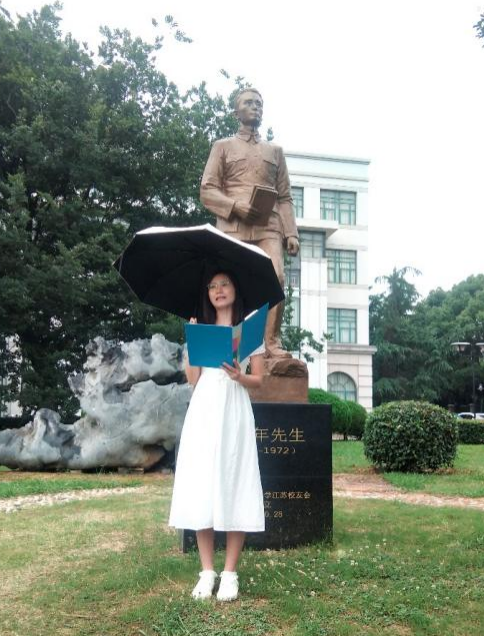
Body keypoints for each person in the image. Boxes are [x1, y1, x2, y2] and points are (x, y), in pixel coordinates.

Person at [168, 271, 265, 602]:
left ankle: (230, 573)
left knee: (236, 479)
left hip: (234, 405)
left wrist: (240, 376)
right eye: (212, 286)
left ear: (236, 288)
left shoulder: (249, 329)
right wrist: (192, 342)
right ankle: (207, 571)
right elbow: (193, 378)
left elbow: (259, 380)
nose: (218, 291)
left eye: (224, 284)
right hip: (204, 407)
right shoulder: (201, 328)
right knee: (202, 483)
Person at [200, 88, 299, 359]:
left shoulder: (275, 151)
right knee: (229, 284)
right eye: (248, 103)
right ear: (236, 112)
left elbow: (285, 196)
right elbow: (207, 190)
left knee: (276, 277)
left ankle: (272, 342)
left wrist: (291, 233)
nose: (255, 107)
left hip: (269, 225)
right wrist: (234, 206)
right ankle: (230, 339)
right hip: (233, 225)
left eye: (259, 103)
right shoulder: (222, 146)